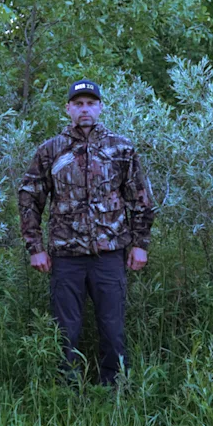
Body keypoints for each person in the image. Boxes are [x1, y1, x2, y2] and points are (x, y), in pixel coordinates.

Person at [18, 79, 155, 385]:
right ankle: (66, 393)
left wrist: (140, 243)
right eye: (78, 104)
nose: (85, 109)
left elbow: (140, 198)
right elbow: (29, 198)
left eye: (91, 103)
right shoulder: (50, 150)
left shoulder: (121, 148)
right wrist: (35, 247)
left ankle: (115, 391)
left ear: (100, 107)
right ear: (68, 109)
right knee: (66, 329)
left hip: (109, 254)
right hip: (66, 256)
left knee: (112, 327)